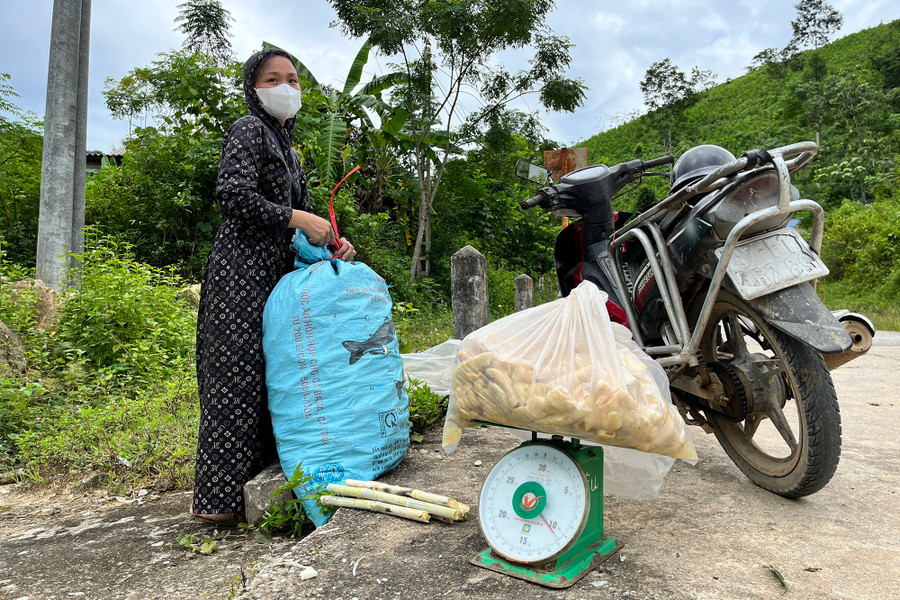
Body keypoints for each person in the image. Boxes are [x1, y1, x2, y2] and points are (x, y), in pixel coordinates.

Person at [191, 48, 355, 523]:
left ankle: (258, 488)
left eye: (293, 79)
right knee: (234, 377)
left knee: (273, 375)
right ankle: (218, 503)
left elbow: (304, 224)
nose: (286, 87)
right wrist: (297, 216)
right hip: (239, 274)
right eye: (273, 78)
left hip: (279, 276)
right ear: (254, 88)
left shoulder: (287, 146)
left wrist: (333, 244)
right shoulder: (248, 130)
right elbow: (232, 196)